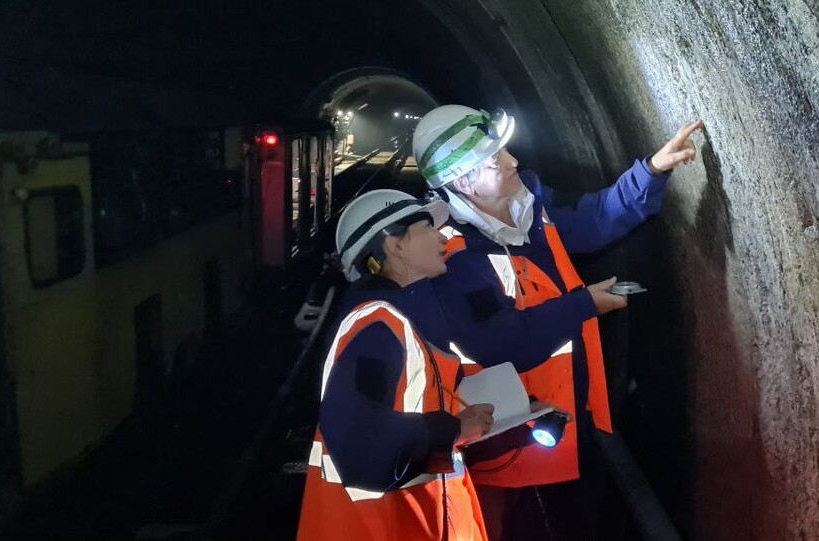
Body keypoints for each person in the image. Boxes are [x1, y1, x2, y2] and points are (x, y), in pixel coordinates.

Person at [412, 105, 702, 537]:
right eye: (495, 160)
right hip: (499, 438)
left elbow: (591, 221)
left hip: (559, 421)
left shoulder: (528, 204)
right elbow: (496, 342)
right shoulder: (452, 255)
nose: (512, 162)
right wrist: (585, 305)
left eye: (506, 151)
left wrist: (652, 170)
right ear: (462, 182)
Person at [296, 189, 495, 541]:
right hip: (382, 528)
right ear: (395, 246)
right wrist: (452, 430)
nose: (441, 235)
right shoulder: (375, 328)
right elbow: (360, 446)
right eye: (427, 227)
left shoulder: (394, 321)